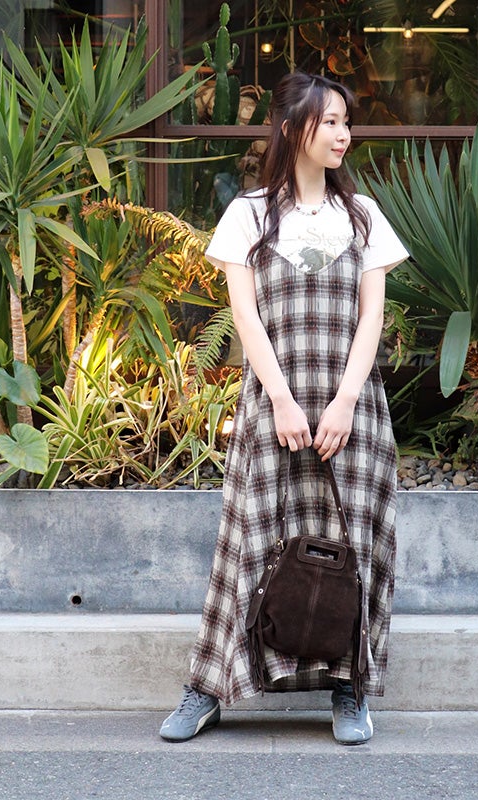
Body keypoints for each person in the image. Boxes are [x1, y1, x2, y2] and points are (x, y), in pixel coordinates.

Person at [160, 71, 408, 746]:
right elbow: (244, 316)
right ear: (293, 128)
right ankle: (209, 687)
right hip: (272, 406)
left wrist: (344, 403)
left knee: (355, 546)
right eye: (330, 121)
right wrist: (281, 400)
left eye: (345, 122)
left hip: (352, 411)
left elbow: (371, 317)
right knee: (250, 543)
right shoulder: (247, 213)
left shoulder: (363, 216)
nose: (343, 134)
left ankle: (350, 686)